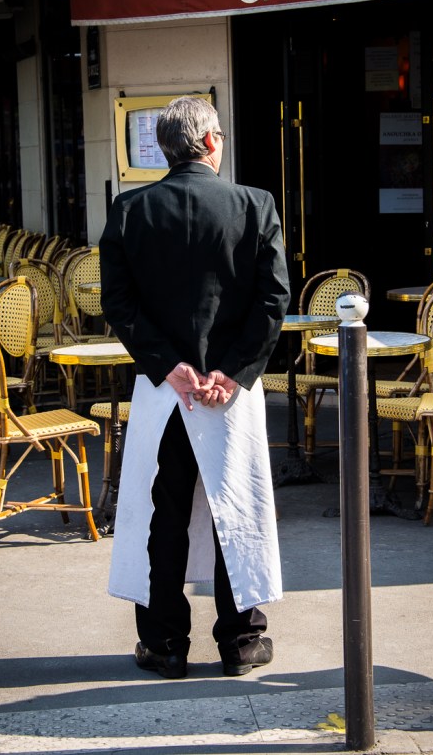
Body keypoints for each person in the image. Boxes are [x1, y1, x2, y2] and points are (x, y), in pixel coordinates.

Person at [99, 95, 290, 680]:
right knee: (238, 504)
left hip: (165, 393)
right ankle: (240, 640)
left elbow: (118, 304)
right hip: (231, 389)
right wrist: (232, 371)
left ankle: (164, 643)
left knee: (166, 514)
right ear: (210, 142)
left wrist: (169, 365)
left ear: (164, 147)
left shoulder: (130, 210)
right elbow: (274, 300)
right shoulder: (254, 205)